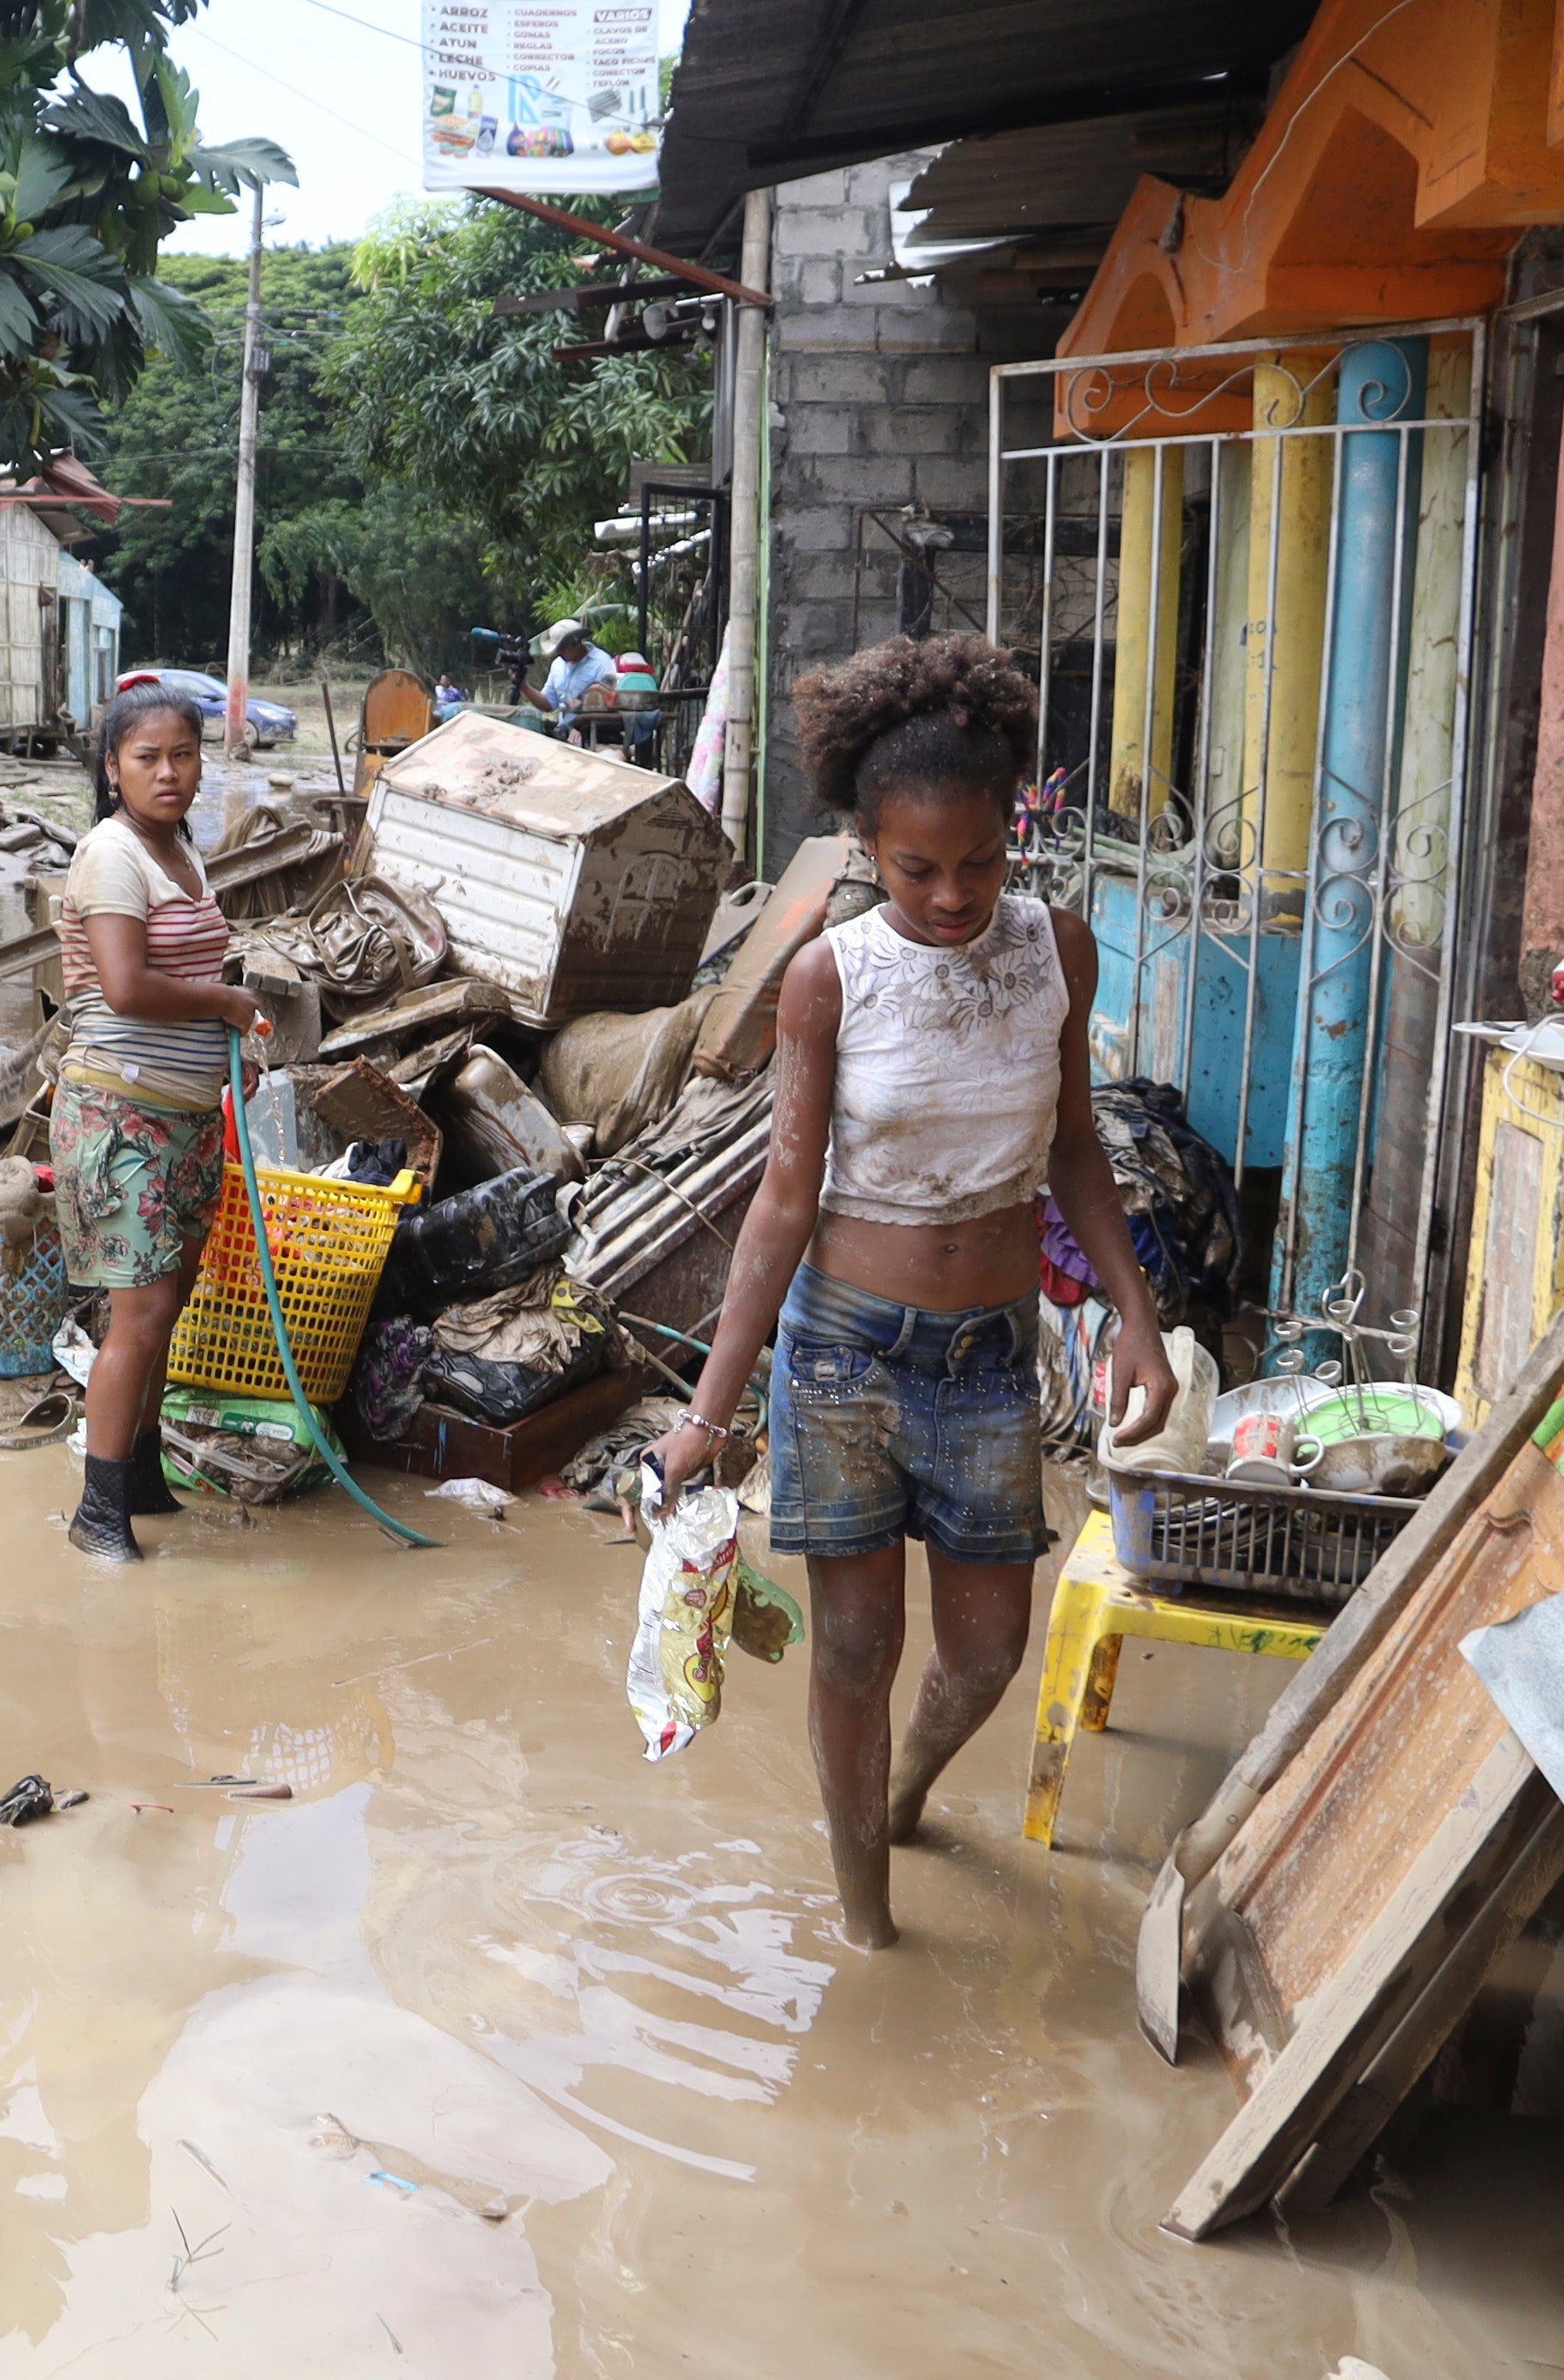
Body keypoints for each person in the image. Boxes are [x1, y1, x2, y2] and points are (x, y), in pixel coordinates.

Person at [646, 632, 1172, 1951]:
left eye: (981, 862)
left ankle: (904, 1791)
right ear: (868, 847)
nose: (952, 897)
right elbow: (782, 1200)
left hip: (992, 1356)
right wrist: (709, 1414)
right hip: (844, 1359)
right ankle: (867, 1920)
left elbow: (1072, 1149)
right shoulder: (830, 977)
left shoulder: (1058, 950)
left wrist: (1139, 1318)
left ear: (1016, 829)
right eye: (916, 869)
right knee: (853, 1650)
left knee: (989, 1649)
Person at [50, 680, 269, 1560]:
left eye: (183, 754)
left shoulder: (182, 853)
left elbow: (184, 984)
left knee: (164, 1308)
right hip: (118, 1115)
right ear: (113, 770)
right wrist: (228, 1001)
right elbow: (126, 987)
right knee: (137, 1315)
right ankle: (97, 1514)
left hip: (182, 1117)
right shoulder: (112, 856)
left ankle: (142, 1474)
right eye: (147, 758)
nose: (168, 772)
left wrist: (231, 1056)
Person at [521, 618, 615, 735]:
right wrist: (524, 686)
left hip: (594, 732)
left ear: (576, 643)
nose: (559, 652)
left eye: (562, 648)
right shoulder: (557, 664)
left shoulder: (603, 663)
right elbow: (549, 704)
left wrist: (582, 726)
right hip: (563, 730)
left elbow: (610, 704)